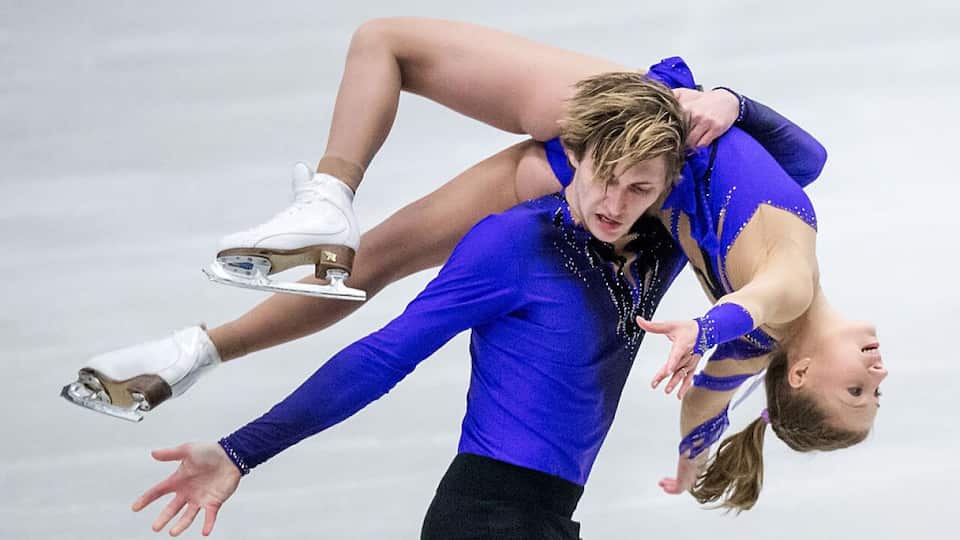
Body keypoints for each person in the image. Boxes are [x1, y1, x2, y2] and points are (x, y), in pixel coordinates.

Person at [132, 73, 691, 538]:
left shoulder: (661, 244)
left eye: (639, 190)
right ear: (574, 153)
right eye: (604, 179)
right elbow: (383, 356)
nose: (615, 205)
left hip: (551, 519)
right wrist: (240, 451)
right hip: (484, 519)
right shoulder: (513, 243)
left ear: (668, 186)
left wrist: (729, 105)